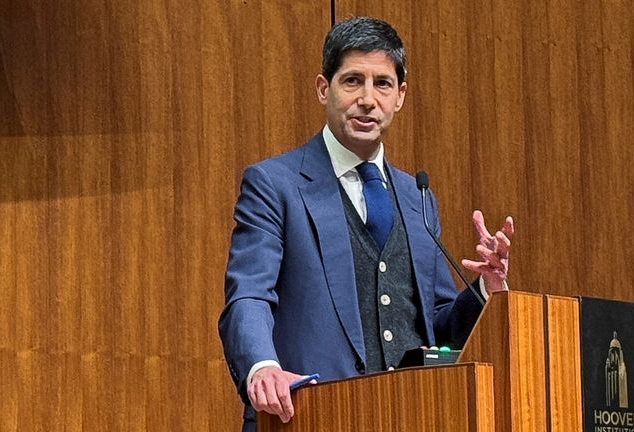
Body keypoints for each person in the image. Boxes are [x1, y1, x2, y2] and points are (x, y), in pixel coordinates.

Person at [218, 16, 514, 431]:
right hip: (309, 418)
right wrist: (261, 366)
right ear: (324, 89)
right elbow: (248, 295)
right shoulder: (275, 185)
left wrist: (485, 288)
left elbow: (439, 324)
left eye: (383, 84)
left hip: (412, 417)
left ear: (401, 96)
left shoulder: (418, 197)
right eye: (352, 81)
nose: (367, 99)